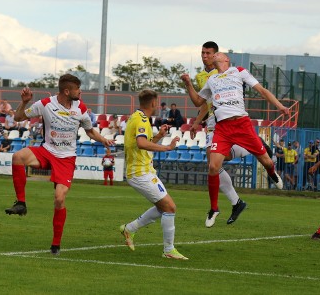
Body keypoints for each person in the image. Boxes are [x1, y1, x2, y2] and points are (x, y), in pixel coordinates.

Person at [4, 74, 114, 256]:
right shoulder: (46, 103)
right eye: (78, 89)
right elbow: (17, 117)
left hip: (66, 158)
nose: (80, 92)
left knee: (59, 198)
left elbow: (90, 131)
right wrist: (24, 103)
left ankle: (55, 244)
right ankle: (21, 203)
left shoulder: (81, 108)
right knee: (18, 156)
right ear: (67, 91)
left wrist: (103, 140)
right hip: (47, 150)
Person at [181, 52, 286, 227]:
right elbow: (198, 102)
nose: (213, 56)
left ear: (226, 59)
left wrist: (280, 106)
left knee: (267, 162)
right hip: (222, 128)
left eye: (216, 54)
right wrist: (188, 83)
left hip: (242, 124)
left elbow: (262, 90)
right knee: (213, 166)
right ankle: (214, 209)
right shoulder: (211, 80)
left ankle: (272, 172)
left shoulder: (238, 71)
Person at [119, 89, 187, 260]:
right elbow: (142, 144)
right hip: (139, 172)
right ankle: (168, 250)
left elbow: (142, 143)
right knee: (170, 207)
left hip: (145, 170)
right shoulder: (141, 119)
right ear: (153, 103)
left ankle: (130, 229)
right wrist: (167, 147)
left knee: (162, 207)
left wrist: (158, 136)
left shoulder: (138, 118)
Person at [190, 41, 248, 227]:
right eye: (203, 53)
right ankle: (236, 202)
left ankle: (251, 147)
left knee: (214, 161)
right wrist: (197, 122)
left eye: (208, 53)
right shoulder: (201, 76)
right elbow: (204, 103)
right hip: (211, 122)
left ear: (216, 55)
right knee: (213, 163)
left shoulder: (223, 72)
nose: (205, 56)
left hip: (225, 120)